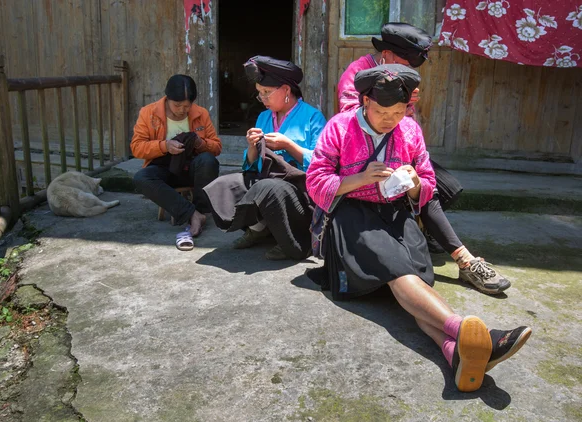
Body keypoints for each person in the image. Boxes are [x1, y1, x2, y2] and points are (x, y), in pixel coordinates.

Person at [306, 64, 531, 392]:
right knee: (400, 272)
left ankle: (456, 352)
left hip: (395, 214)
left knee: (414, 281)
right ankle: (471, 330)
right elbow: (315, 180)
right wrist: (360, 178)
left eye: (398, 112)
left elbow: (427, 184)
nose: (390, 119)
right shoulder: (340, 127)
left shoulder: (409, 130)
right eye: (382, 111)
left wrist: (413, 185)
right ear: (365, 102)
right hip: (353, 216)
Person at [337, 22, 511, 296]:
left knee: (445, 187)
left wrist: (405, 110)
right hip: (363, 155)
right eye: (407, 62)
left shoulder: (403, 75)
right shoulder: (357, 71)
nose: (412, 70)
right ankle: (465, 260)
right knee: (422, 193)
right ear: (388, 56)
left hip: (398, 148)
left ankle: (423, 228)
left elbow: (407, 128)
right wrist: (389, 100)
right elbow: (350, 115)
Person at [203, 56, 327, 260]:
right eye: (260, 93)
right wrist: (252, 147)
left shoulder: (313, 117)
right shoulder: (263, 117)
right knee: (225, 185)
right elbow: (251, 164)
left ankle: (292, 241)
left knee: (268, 187)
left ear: (286, 90)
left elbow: (321, 162)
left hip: (299, 190)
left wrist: (288, 145)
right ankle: (259, 228)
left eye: (267, 92)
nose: (263, 98)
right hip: (266, 180)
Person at [132, 75, 221, 250]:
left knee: (208, 161)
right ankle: (192, 214)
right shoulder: (148, 113)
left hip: (191, 168)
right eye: (177, 105)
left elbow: (217, 147)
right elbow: (136, 147)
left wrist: (201, 144)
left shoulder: (200, 113)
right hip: (163, 168)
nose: (182, 110)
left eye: (187, 106)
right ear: (167, 98)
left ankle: (201, 210)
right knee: (141, 178)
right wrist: (164, 146)